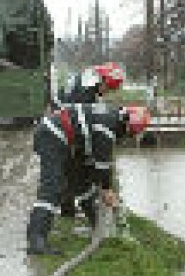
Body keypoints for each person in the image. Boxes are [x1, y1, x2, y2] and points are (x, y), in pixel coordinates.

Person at [26, 103, 150, 256]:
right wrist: (107, 190)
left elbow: (95, 164)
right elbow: (103, 167)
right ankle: (36, 240)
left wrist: (102, 185)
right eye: (130, 134)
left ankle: (96, 224)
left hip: (67, 139)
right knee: (52, 188)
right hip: (52, 136)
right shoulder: (106, 130)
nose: (127, 137)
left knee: (82, 183)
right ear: (127, 125)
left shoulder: (113, 117)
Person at [56, 63, 125, 218]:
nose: (106, 93)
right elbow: (82, 123)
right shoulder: (85, 93)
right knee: (71, 166)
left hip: (61, 118)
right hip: (60, 125)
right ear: (103, 82)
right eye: (108, 89)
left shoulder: (87, 77)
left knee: (71, 166)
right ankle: (68, 209)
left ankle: (70, 207)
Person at [56, 62, 125, 106]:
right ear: (104, 83)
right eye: (109, 89)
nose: (107, 93)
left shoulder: (92, 78)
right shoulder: (87, 91)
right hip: (61, 106)